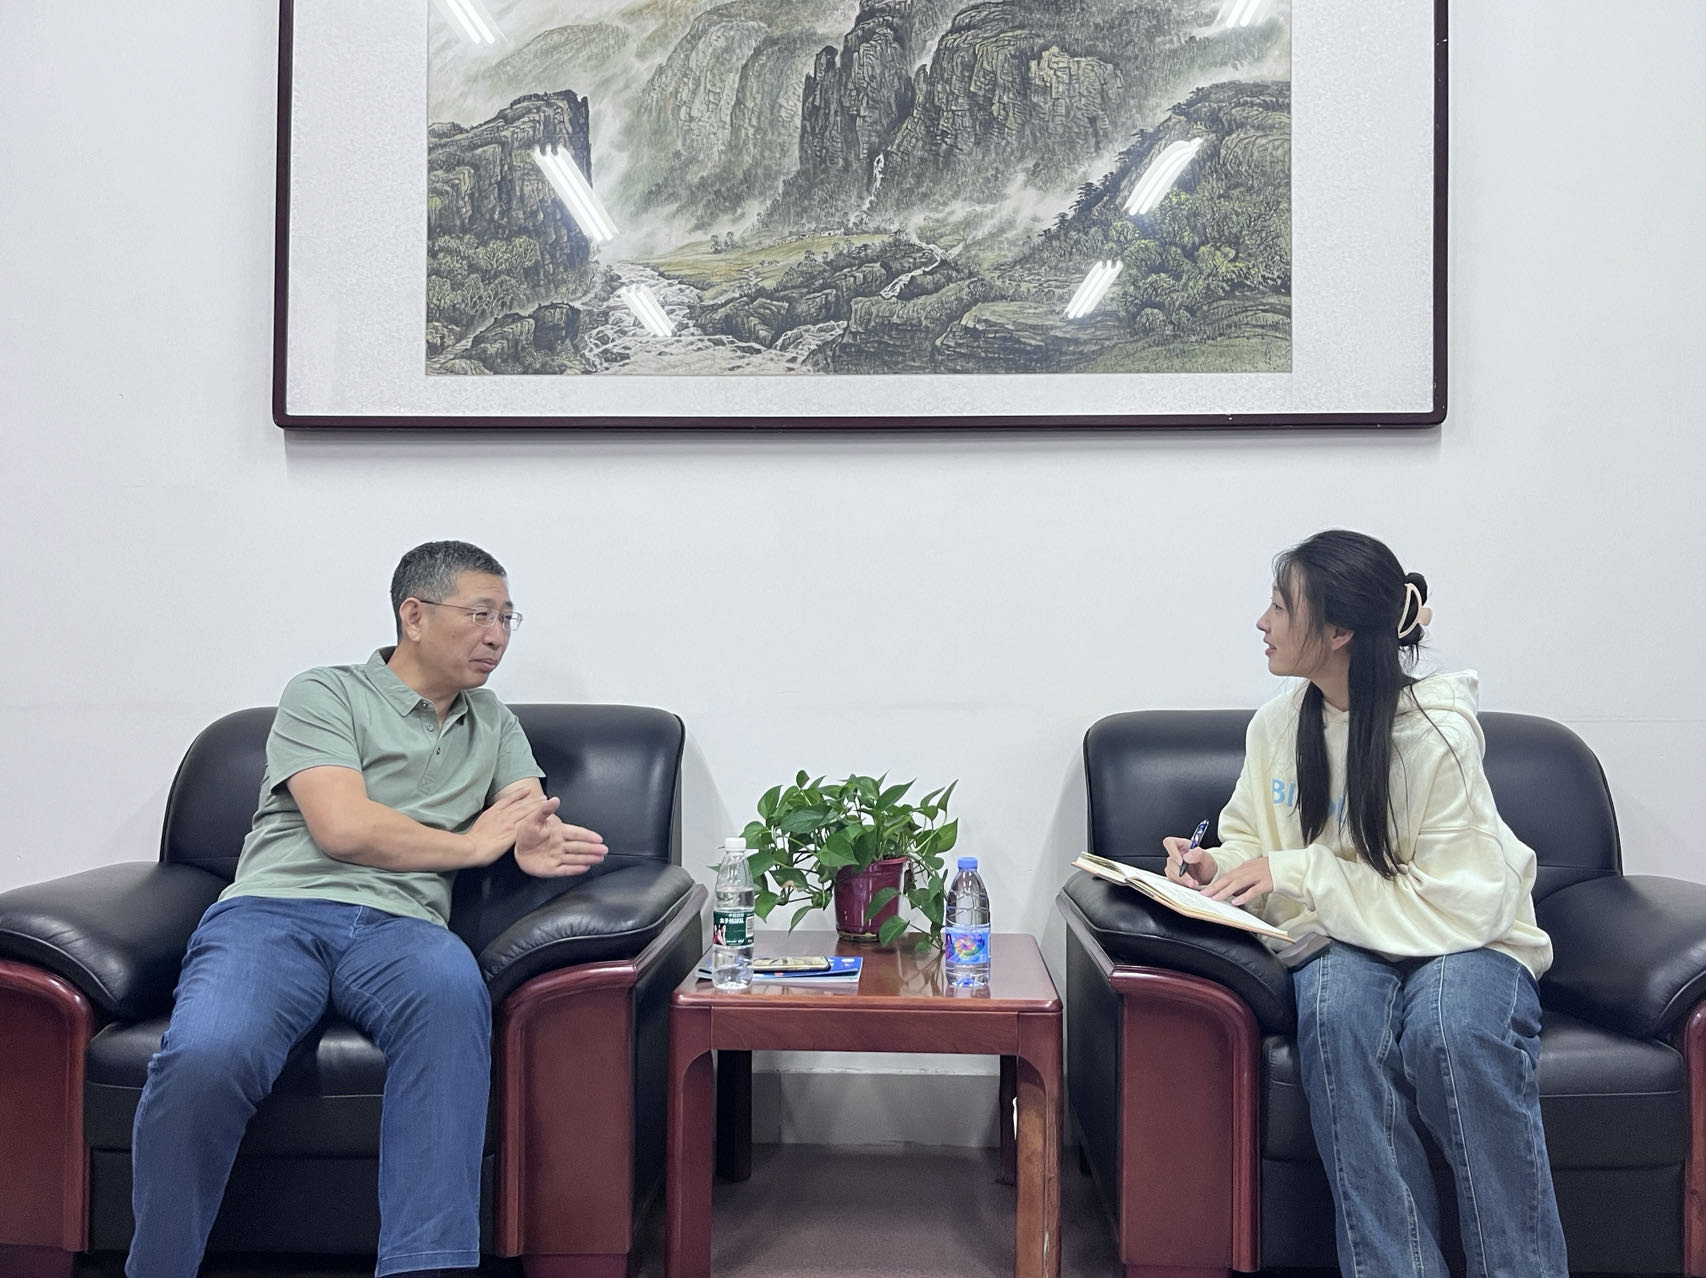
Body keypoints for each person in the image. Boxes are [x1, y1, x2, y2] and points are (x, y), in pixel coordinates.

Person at [127, 541, 609, 1278]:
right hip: (276, 912)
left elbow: (523, 809)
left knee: (452, 1009)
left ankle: (426, 1268)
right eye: (480, 614)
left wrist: (532, 838)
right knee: (207, 1055)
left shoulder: (493, 722)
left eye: (508, 619)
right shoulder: (325, 693)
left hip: (404, 927)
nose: (497, 636)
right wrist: (472, 847)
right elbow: (342, 828)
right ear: (414, 615)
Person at [1164, 529, 1566, 1278]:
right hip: (1340, 939)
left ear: (1339, 631)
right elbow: (1254, 835)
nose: (1262, 622)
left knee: (1451, 1034)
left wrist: (1296, 871)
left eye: (1281, 607)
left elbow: (1458, 904)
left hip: (1465, 939)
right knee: (1337, 1017)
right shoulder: (1279, 723)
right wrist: (1214, 864)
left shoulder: (1436, 735)